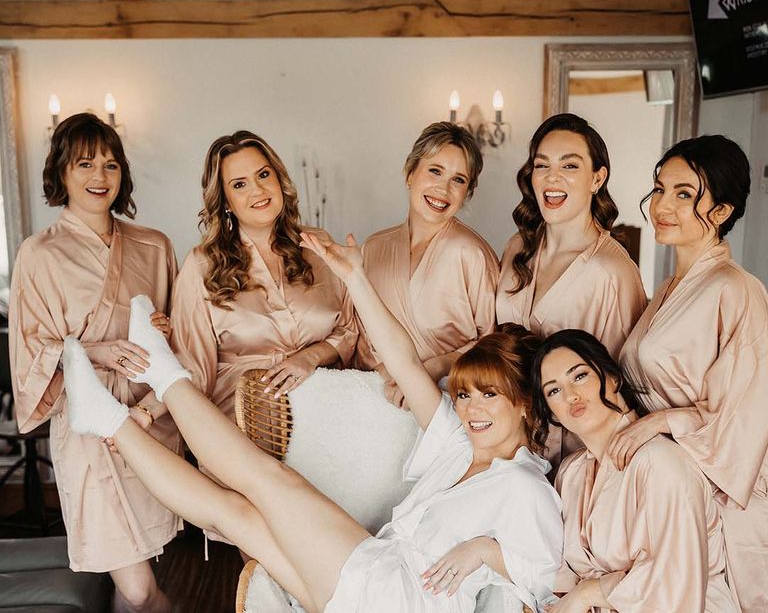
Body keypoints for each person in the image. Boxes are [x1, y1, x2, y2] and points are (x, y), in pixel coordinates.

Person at [62, 229, 563, 613]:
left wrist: (485, 551)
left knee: (270, 478)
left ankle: (159, 368)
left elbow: (546, 583)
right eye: (466, 394)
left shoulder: (524, 485)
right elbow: (405, 363)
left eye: (488, 396)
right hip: (374, 578)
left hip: (393, 596)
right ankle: (107, 418)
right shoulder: (458, 441)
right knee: (236, 515)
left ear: (524, 403)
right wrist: (354, 277)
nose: (471, 409)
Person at [9, 113, 178, 612]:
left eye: (110, 164)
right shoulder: (38, 254)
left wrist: (163, 330)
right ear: (61, 172)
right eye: (85, 164)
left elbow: (180, 338)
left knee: (151, 564)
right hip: (88, 427)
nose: (99, 176)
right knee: (138, 587)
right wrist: (91, 350)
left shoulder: (155, 245)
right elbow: (29, 348)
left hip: (150, 423)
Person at [614, 135, 768, 613]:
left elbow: (748, 412)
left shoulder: (738, 290)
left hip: (723, 494)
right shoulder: (666, 289)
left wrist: (662, 422)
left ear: (720, 212)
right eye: (660, 189)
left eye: (684, 194)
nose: (662, 204)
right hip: (668, 480)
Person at [532, 329, 737, 613]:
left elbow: (675, 585)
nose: (571, 395)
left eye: (580, 376)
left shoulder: (661, 463)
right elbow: (558, 570)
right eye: (554, 390)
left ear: (613, 378)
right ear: (552, 412)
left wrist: (588, 593)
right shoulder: (571, 474)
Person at [171, 130, 357, 421]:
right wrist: (148, 412)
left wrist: (309, 357)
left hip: (322, 417)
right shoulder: (201, 265)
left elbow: (349, 329)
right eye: (240, 184)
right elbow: (191, 365)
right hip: (240, 420)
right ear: (226, 202)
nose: (257, 191)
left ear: (279, 180)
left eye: (263, 175)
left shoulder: (317, 244)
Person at [496, 113, 646, 469]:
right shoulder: (516, 248)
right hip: (510, 440)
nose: (552, 177)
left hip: (578, 454)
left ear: (597, 178)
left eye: (570, 165)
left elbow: (627, 381)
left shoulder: (613, 271)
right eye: (541, 165)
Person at [354, 122, 499, 408]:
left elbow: (494, 344)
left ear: (467, 192)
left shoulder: (472, 253)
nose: (443, 188)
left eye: (458, 180)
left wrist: (437, 366)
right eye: (435, 171)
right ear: (410, 173)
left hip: (450, 404)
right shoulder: (373, 248)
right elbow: (358, 336)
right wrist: (385, 373)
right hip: (378, 401)